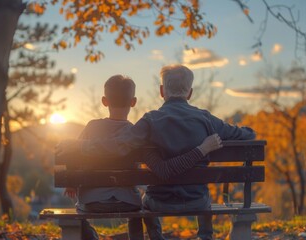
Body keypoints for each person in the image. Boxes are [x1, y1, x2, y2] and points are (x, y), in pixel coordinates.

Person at [57, 65, 254, 239]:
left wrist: (79, 146)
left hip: (160, 201)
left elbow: (119, 144)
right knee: (205, 196)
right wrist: (249, 131)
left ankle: (156, 236)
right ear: (190, 93)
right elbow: (243, 134)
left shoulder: (150, 121)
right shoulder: (207, 119)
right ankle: (205, 236)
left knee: (145, 201)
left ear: (162, 91)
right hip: (198, 200)